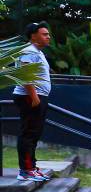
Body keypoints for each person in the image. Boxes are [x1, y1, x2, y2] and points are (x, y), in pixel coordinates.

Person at [12, 23, 53, 183]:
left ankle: (32, 167)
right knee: (29, 133)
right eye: (44, 34)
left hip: (38, 96)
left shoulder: (37, 52)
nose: (48, 37)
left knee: (34, 133)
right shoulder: (28, 51)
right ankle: (25, 170)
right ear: (33, 36)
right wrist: (34, 97)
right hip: (29, 97)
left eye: (48, 34)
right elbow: (24, 74)